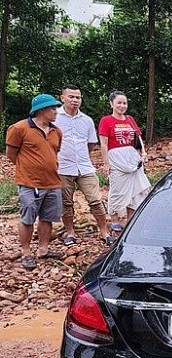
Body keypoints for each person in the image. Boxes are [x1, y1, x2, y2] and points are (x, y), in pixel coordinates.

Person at [5, 94, 64, 270]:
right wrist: (27, 168)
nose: (56, 111)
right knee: (28, 217)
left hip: (53, 182)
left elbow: (54, 152)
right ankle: (26, 252)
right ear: (41, 110)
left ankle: (43, 249)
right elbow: (11, 153)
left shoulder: (56, 131)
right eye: (52, 108)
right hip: (29, 183)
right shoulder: (19, 128)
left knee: (48, 218)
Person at [55, 84, 115, 247]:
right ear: (62, 98)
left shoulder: (87, 120)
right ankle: (70, 232)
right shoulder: (54, 118)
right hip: (63, 167)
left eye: (78, 97)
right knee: (66, 202)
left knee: (95, 199)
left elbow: (91, 144)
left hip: (84, 166)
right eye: (71, 97)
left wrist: (83, 157)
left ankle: (104, 232)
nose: (75, 100)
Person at [98, 90, 151, 231]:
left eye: (124, 103)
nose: (122, 105)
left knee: (135, 189)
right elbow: (103, 143)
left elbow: (138, 138)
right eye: (119, 102)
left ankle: (130, 220)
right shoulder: (106, 120)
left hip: (132, 158)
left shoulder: (130, 119)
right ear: (111, 103)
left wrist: (143, 153)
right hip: (116, 159)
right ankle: (114, 219)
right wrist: (106, 163)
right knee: (117, 189)